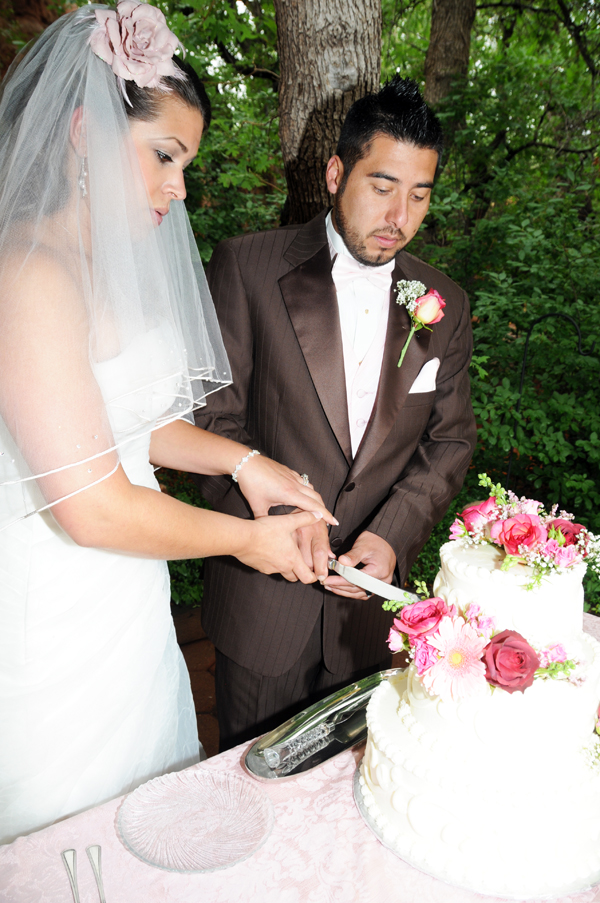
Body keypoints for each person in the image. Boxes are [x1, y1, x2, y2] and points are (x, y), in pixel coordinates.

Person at [0, 2, 336, 845]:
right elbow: (91, 505)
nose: (179, 187)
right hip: (58, 616)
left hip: (131, 610)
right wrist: (246, 541)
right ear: (82, 131)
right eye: (163, 155)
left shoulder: (109, 266)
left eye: (183, 162)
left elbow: (131, 422)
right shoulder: (28, 277)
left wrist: (247, 462)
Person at [194, 76, 477, 751]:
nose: (399, 215)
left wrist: (391, 532)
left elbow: (450, 441)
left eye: (420, 194)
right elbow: (208, 426)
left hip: (368, 624)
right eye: (382, 186)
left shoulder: (446, 302)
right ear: (334, 172)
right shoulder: (245, 267)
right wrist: (284, 520)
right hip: (264, 610)